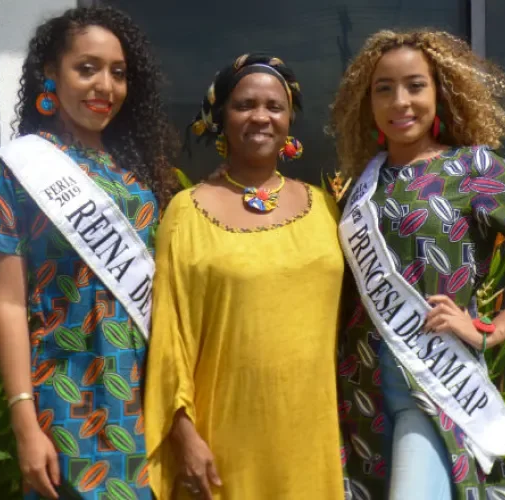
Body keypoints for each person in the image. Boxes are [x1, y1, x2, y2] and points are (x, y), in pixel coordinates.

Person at [328, 29, 505, 500]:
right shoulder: (358, 187)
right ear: (366, 103)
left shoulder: (475, 169)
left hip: (432, 388)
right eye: (383, 89)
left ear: (441, 92)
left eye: (415, 85)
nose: (399, 101)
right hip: (358, 398)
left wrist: (493, 329)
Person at [0, 6, 179, 499]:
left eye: (118, 73)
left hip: (142, 389)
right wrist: (25, 421)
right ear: (51, 73)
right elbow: (7, 302)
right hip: (65, 391)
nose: (105, 87)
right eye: (86, 68)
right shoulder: (19, 168)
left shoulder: (135, 175)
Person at [143, 53, 345, 499]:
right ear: (221, 117)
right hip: (222, 441)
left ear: (290, 119)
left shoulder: (326, 210)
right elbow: (169, 338)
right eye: (244, 105)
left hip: (311, 442)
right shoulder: (186, 213)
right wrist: (184, 436)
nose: (261, 116)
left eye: (274, 106)